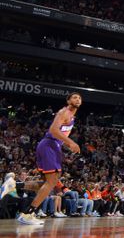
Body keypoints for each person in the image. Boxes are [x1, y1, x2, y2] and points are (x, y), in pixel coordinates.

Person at [17, 92, 82, 226]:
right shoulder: (64, 112)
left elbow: (60, 133)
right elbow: (53, 130)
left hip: (51, 146)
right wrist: (71, 143)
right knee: (52, 181)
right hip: (49, 145)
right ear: (68, 100)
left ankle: (16, 186)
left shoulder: (71, 116)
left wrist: (64, 145)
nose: (78, 99)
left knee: (47, 183)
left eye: (80, 98)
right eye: (75, 97)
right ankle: (28, 214)